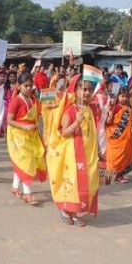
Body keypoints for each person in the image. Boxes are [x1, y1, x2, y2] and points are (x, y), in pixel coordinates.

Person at [46, 75, 99, 227]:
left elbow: (92, 132)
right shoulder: (70, 110)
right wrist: (76, 122)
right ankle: (65, 211)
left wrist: (99, 151)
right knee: (72, 183)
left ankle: (75, 213)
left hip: (87, 154)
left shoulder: (90, 109)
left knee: (86, 182)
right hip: (72, 154)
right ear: (75, 91)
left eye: (89, 90)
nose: (87, 93)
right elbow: (64, 132)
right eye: (83, 89)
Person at [6, 72, 47, 204]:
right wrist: (24, 127)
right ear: (19, 86)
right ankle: (27, 194)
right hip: (18, 136)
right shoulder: (16, 101)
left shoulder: (33, 100)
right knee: (26, 163)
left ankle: (14, 186)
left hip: (31, 136)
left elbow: (43, 110)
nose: (29, 88)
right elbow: (9, 120)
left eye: (31, 86)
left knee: (23, 162)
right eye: (26, 86)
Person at [104, 89, 132, 184]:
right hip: (116, 137)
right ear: (118, 97)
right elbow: (108, 122)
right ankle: (109, 175)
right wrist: (109, 112)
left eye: (126, 96)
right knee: (114, 157)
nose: (125, 99)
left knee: (124, 157)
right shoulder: (115, 107)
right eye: (122, 96)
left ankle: (119, 175)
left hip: (126, 139)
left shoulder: (129, 108)